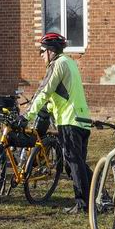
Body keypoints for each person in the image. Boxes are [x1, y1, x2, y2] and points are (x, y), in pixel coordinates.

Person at [26, 32, 92, 214]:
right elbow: (61, 93)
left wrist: (28, 115)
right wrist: (47, 108)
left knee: (74, 163)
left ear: (50, 51)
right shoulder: (70, 62)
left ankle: (83, 204)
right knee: (77, 164)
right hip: (82, 120)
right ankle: (99, 195)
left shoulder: (57, 64)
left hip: (69, 120)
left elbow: (45, 90)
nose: (41, 55)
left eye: (42, 51)